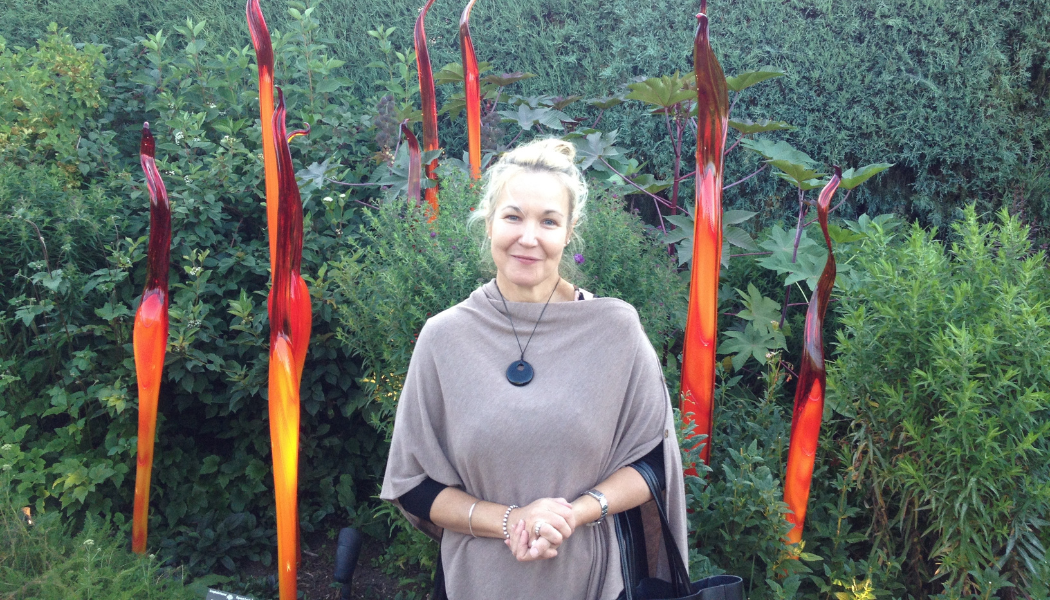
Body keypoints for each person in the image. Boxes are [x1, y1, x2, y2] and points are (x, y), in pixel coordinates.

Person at [380, 138, 688, 600]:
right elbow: (414, 484)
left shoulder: (615, 331)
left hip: (593, 582)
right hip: (477, 584)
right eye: (513, 216)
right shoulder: (444, 338)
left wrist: (575, 514)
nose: (528, 237)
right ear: (489, 222)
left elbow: (653, 462)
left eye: (548, 221)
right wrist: (512, 521)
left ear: (569, 231)